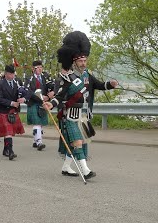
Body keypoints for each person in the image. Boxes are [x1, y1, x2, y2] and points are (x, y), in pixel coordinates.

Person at [43, 31, 118, 179]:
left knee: (82, 141)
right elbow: (59, 95)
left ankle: (66, 167)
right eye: (80, 61)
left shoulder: (87, 75)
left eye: (85, 61)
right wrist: (51, 104)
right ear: (74, 62)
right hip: (70, 115)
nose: (83, 63)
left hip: (84, 114)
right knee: (77, 141)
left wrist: (110, 84)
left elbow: (100, 85)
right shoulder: (67, 78)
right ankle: (86, 170)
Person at [0, 65, 26, 160]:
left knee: (9, 132)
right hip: (4, 110)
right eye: (10, 74)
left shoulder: (17, 83)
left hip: (13, 111)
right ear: (5, 74)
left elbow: (21, 93)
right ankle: (11, 152)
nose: (12, 76)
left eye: (13, 74)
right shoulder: (0, 84)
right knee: (8, 132)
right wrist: (12, 103)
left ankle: (5, 150)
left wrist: (22, 98)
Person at [25, 60, 55, 151]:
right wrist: (42, 98)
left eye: (41, 67)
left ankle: (35, 140)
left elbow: (52, 87)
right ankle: (39, 142)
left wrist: (51, 93)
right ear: (33, 68)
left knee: (40, 124)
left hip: (43, 104)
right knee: (37, 122)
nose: (40, 69)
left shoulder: (45, 77)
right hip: (34, 103)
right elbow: (28, 92)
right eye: (37, 67)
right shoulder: (28, 78)